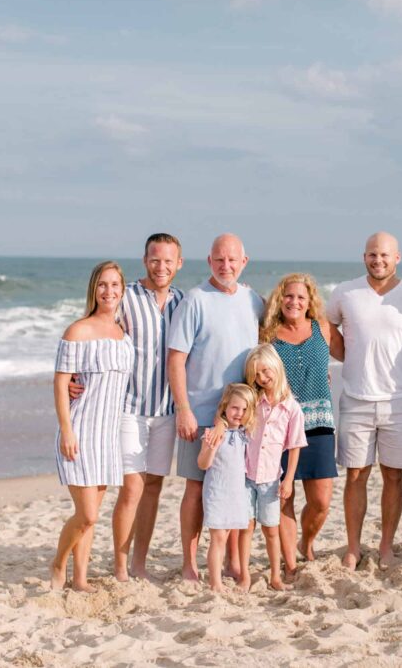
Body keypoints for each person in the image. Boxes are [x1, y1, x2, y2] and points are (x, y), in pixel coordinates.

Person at [68, 233, 185, 582]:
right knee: (132, 487)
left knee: (153, 488)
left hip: (166, 410)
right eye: (154, 259)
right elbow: (94, 326)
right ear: (145, 260)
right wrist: (74, 372)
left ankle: (139, 564)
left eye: (168, 260)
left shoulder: (183, 301)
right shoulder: (127, 295)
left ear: (178, 263)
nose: (160, 266)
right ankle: (120, 567)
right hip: (128, 409)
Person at [326, 232, 402, 570]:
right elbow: (324, 328)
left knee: (394, 476)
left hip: (399, 400)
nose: (378, 260)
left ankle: (386, 546)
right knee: (355, 475)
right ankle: (354, 547)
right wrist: (349, 357)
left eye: (385, 255)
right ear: (364, 257)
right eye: (372, 254)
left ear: (397, 257)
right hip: (355, 398)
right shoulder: (345, 292)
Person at [168, 233, 264, 582]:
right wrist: (184, 409)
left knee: (238, 490)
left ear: (244, 262)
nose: (226, 266)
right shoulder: (195, 300)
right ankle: (190, 564)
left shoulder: (253, 300)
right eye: (219, 260)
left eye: (232, 260)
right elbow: (175, 359)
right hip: (202, 414)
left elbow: (281, 333)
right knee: (196, 489)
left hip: (242, 419)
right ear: (209, 261)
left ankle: (234, 563)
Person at [50, 261, 134, 591]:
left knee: (91, 517)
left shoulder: (124, 336)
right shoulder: (77, 331)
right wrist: (66, 429)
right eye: (102, 285)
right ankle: (58, 564)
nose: (108, 291)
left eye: (114, 285)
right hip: (81, 432)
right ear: (93, 290)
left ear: (122, 290)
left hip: (107, 436)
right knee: (87, 515)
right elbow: (59, 384)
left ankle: (80, 579)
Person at [259, 273, 341, 576]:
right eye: (288, 296)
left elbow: (353, 355)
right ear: (280, 300)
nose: (294, 302)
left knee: (320, 501)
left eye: (300, 297)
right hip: (278, 427)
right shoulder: (266, 334)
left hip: (319, 423)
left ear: (310, 302)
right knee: (284, 498)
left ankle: (307, 541)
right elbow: (255, 373)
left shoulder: (323, 329)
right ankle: (291, 563)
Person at [239, 344, 307, 591]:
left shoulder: (292, 408)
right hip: (246, 475)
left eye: (266, 372)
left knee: (270, 528)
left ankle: (275, 576)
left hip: (271, 479)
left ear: (277, 367)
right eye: (256, 375)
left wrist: (288, 480)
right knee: (246, 527)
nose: (262, 378)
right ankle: (244, 576)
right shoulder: (252, 401)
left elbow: (295, 446)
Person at [198, 383, 257, 593]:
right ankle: (215, 583)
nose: (239, 413)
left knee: (228, 533)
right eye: (234, 408)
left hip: (236, 493)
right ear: (224, 407)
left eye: (243, 409)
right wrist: (211, 448)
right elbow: (203, 464)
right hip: (217, 491)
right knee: (218, 538)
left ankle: (221, 576)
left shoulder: (243, 434)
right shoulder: (214, 434)